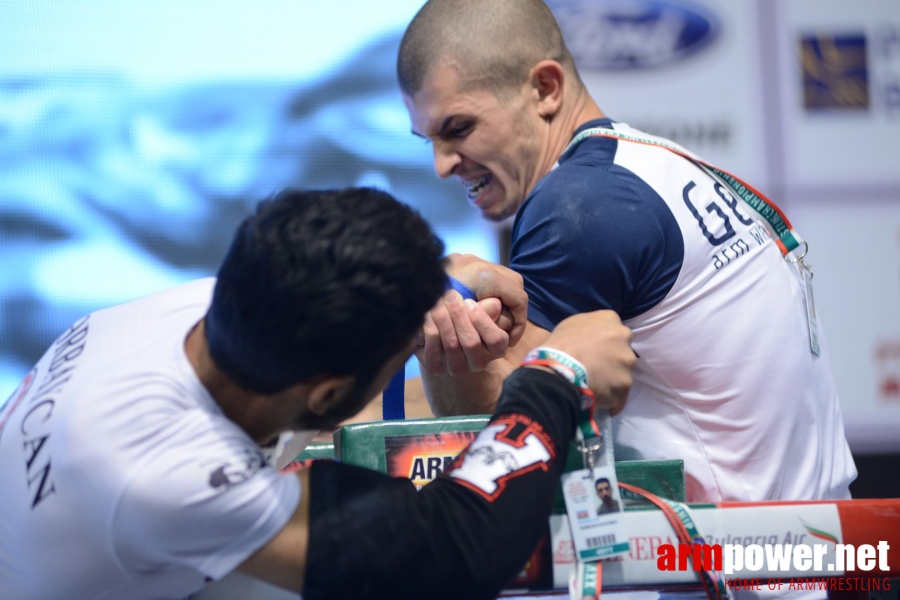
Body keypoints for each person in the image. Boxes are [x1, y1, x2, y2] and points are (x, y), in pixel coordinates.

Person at [0, 187, 635, 600]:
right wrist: (556, 375)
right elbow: (455, 555)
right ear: (329, 394)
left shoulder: (203, 310)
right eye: (397, 361)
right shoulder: (167, 473)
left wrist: (434, 281)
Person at [397, 0, 857, 507]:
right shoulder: (638, 164)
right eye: (428, 141)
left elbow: (506, 443)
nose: (441, 164)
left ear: (545, 89)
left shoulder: (579, 206)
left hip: (743, 573)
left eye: (458, 128)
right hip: (813, 552)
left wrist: (438, 308)